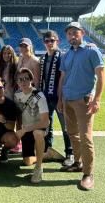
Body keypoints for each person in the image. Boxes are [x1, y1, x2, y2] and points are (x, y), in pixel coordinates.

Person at [57, 22, 105, 191]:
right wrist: (60, 99)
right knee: (71, 133)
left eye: (75, 33)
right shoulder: (66, 55)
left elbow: (101, 76)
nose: (72, 36)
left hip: (84, 100)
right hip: (67, 99)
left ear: (82, 33)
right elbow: (62, 78)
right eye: (69, 33)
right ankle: (77, 163)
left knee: (85, 137)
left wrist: (97, 99)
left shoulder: (92, 51)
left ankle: (88, 173)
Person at [39, 30, 74, 166]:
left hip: (60, 98)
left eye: (52, 40)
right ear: (44, 43)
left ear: (57, 41)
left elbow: (66, 79)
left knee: (66, 127)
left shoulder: (63, 57)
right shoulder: (42, 58)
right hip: (45, 98)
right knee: (47, 125)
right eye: (47, 41)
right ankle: (48, 149)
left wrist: (61, 98)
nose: (49, 43)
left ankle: (69, 153)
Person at [14, 68, 49, 184]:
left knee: (37, 133)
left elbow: (45, 122)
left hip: (39, 128)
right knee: (27, 161)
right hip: (26, 129)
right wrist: (19, 131)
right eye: (20, 79)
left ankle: (39, 167)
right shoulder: (17, 95)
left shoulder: (39, 96)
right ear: (17, 82)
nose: (23, 82)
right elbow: (18, 115)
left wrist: (25, 129)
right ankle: (46, 154)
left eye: (26, 79)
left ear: (31, 80)